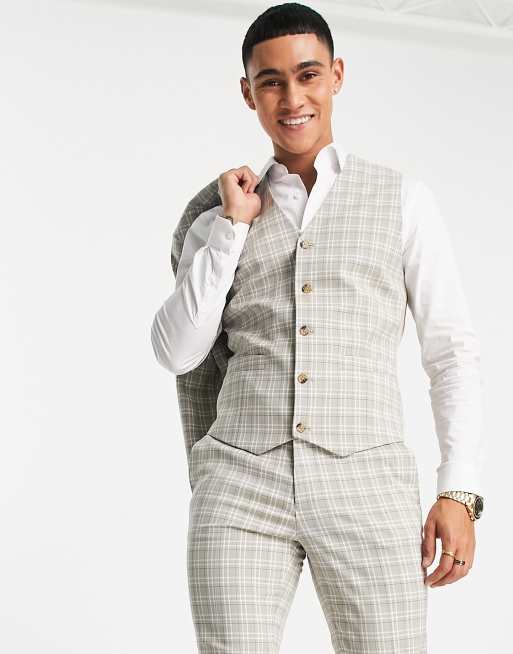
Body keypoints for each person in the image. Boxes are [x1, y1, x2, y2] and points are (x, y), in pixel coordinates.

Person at [151, 3, 485, 652]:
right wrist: (232, 227)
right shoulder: (215, 215)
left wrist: (459, 489)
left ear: (336, 76)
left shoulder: (402, 201)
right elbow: (177, 351)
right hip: (240, 484)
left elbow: (450, 352)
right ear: (247, 92)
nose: (292, 97)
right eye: (270, 81)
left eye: (307, 75)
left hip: (369, 483)